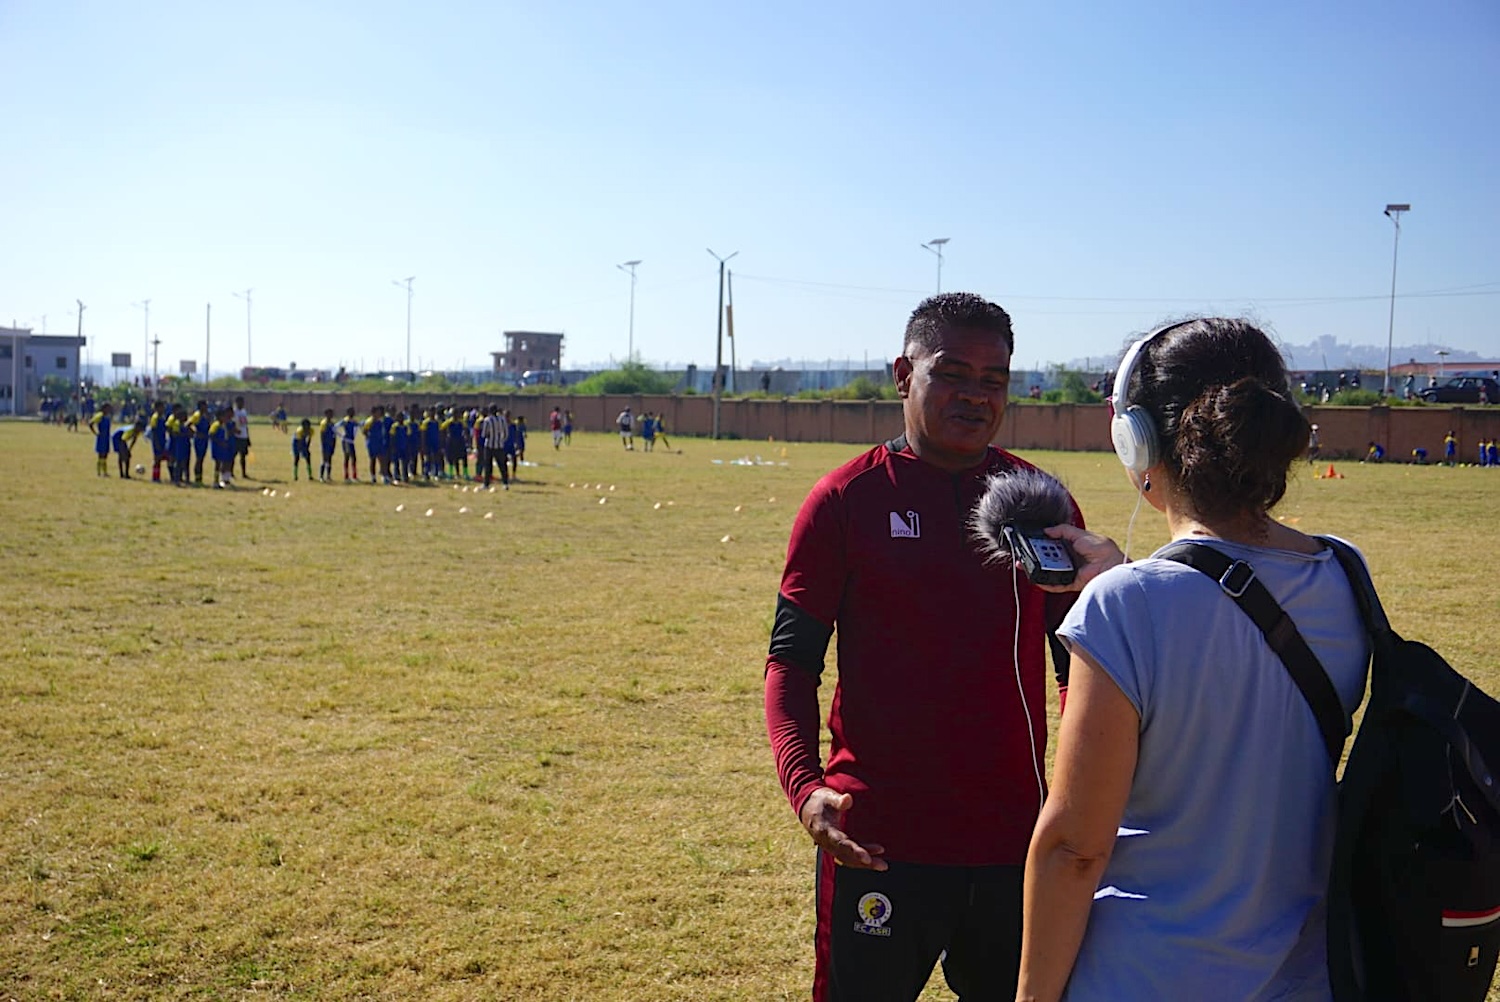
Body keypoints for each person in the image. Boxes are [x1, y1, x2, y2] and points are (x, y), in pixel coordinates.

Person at [1017, 318, 1369, 1002]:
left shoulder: (1127, 608)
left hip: (1143, 978)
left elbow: (1074, 850)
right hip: (1307, 979)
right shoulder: (1346, 573)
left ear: (1136, 439)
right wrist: (1129, 583)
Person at [764, 293, 1091, 1001]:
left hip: (1016, 845)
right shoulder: (843, 501)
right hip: (878, 843)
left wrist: (1080, 793)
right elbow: (791, 663)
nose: (975, 395)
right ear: (902, 375)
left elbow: (1080, 670)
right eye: (953, 373)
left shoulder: (1042, 505)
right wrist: (805, 787)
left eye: (993, 380)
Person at [89, 403, 113, 476]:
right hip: (101, 438)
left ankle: (105, 471)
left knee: (105, 455)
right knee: (101, 455)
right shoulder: (100, 416)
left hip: (106, 438)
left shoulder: (108, 417)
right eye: (108, 408)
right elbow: (90, 423)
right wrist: (95, 432)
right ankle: (99, 472)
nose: (109, 410)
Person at [339, 407, 360, 481]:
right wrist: (341, 435)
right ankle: (346, 476)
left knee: (353, 458)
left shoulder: (353, 421)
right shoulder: (345, 420)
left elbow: (358, 426)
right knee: (347, 457)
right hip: (346, 441)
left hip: (351, 441)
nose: (353, 413)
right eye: (351, 412)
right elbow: (335, 427)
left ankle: (354, 475)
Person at [233, 396, 252, 479]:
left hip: (244, 436)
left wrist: (248, 437)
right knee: (233, 455)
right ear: (236, 403)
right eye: (240, 402)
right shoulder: (234, 412)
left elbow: (246, 425)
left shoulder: (244, 412)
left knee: (243, 456)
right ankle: (231, 472)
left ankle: (243, 473)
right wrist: (235, 431)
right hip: (236, 437)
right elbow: (231, 424)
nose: (242, 404)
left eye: (243, 403)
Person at [317, 408, 338, 482]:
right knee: (324, 460)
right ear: (326, 414)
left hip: (331, 444)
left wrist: (334, 444)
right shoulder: (324, 423)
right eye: (329, 414)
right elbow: (322, 435)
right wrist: (323, 445)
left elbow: (334, 435)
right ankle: (321, 476)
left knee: (329, 460)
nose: (331, 415)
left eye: (332, 414)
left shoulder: (332, 424)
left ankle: (328, 476)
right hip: (325, 444)